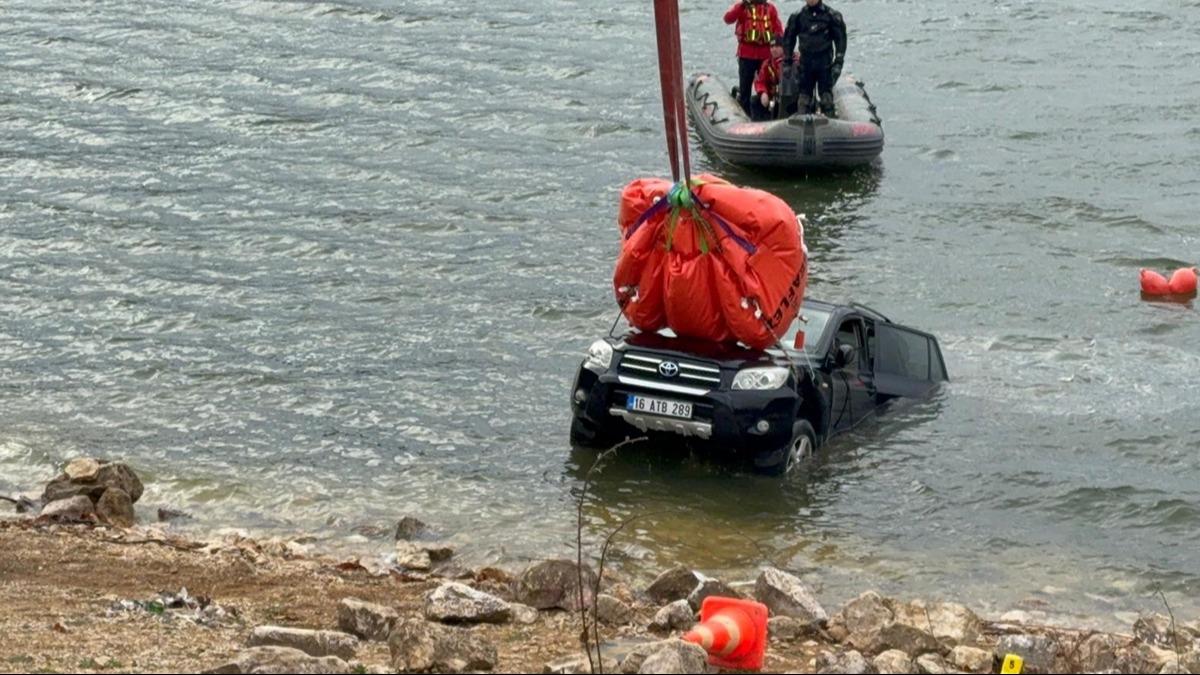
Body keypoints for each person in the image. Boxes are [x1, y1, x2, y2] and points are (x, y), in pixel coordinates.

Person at [781, 0, 847, 118]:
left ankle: (831, 127)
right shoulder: (798, 16)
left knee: (826, 99)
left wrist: (838, 62)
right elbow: (789, 39)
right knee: (804, 100)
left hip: (824, 64)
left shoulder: (831, 16)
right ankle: (802, 126)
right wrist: (787, 61)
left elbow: (841, 39)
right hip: (806, 65)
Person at [724, 0, 783, 118]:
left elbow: (779, 32)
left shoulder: (770, 9)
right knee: (745, 89)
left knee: (768, 86)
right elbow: (728, 19)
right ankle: (745, 117)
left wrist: (782, 52)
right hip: (746, 55)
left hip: (766, 56)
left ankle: (767, 115)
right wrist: (741, 5)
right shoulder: (743, 7)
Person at [750, 43, 787, 121]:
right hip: (773, 99)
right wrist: (763, 93)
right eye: (772, 47)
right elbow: (760, 81)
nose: (774, 49)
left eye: (777, 46)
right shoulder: (767, 64)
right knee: (754, 101)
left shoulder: (794, 61)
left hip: (789, 99)